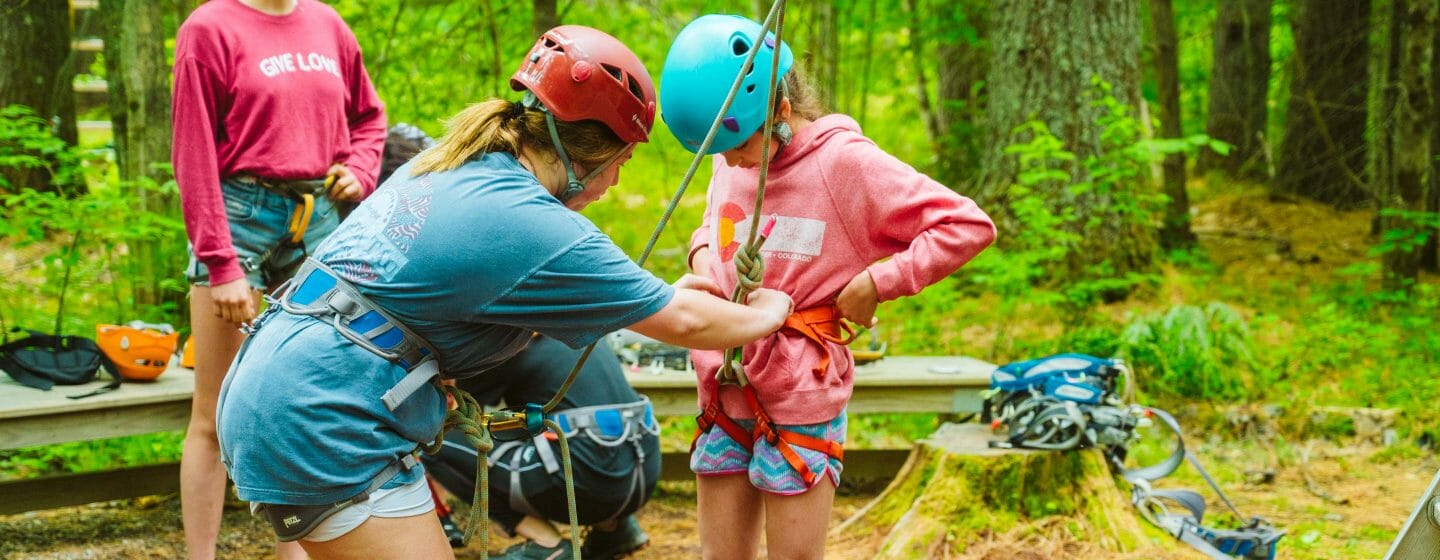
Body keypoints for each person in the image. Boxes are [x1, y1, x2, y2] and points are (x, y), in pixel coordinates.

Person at [214, 24, 793, 560]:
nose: (615, 183)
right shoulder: (528, 221)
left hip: (290, 383)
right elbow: (687, 323)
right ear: (586, 150)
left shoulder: (456, 166)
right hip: (324, 412)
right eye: (622, 162)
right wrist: (772, 308)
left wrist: (668, 295)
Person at [659, 14, 998, 560]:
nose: (728, 162)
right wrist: (703, 255)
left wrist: (879, 280)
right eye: (717, 152)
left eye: (740, 145)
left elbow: (967, 226)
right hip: (721, 386)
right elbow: (714, 222)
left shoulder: (844, 164)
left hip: (799, 394)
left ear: (782, 111)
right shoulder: (731, 153)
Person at [170, 0, 386, 558]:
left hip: (316, 221)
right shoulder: (209, 27)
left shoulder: (328, 23)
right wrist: (220, 264)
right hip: (237, 220)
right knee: (214, 414)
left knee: (292, 404)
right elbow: (192, 154)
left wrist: (360, 170)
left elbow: (369, 118)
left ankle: (294, 553)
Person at [425, 335, 658, 560]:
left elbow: (463, 417)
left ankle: (547, 544)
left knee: (435, 443)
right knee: (563, 426)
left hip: (592, 486)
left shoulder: (505, 342)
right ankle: (614, 529)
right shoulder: (574, 324)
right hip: (644, 472)